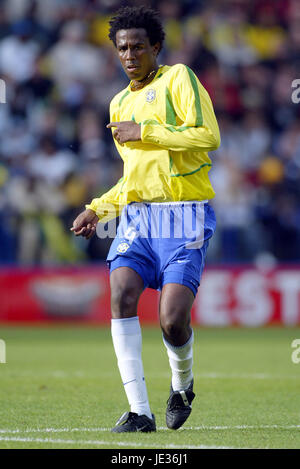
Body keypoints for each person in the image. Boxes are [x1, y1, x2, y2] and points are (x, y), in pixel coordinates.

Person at [71, 6, 220, 433]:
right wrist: (98, 208)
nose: (130, 54)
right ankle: (140, 412)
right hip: (139, 218)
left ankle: (182, 385)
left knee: (173, 319)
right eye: (122, 48)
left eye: (138, 46)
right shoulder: (119, 102)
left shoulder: (179, 79)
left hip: (184, 216)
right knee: (121, 293)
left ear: (156, 47)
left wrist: (146, 131)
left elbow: (209, 135)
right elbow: (134, 179)